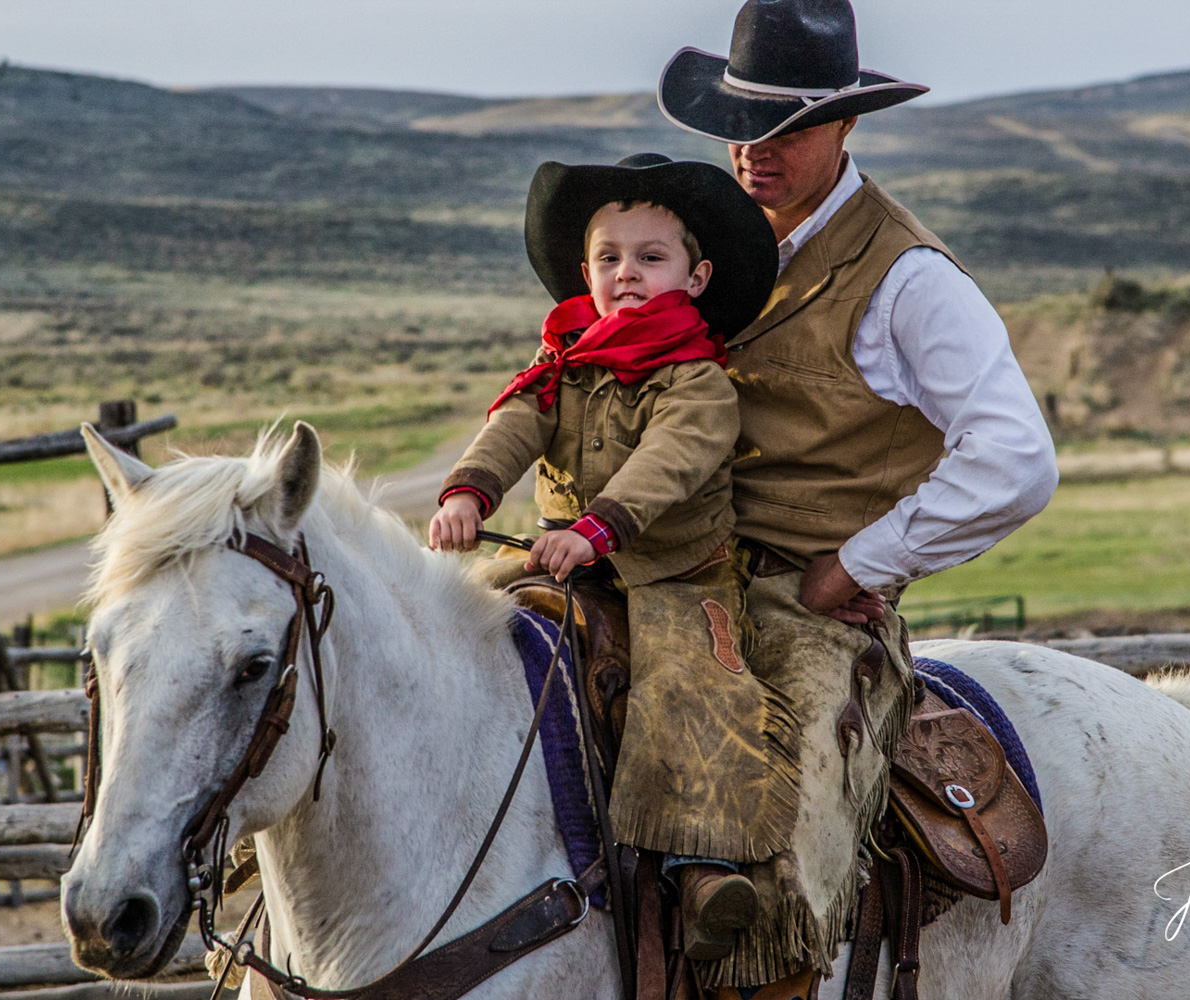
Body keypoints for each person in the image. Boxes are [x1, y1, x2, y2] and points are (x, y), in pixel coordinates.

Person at [654, 0, 1061, 988]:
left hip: (811, 602)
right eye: (739, 122)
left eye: (785, 126)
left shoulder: (908, 279)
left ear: (844, 125)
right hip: (671, 567)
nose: (753, 149)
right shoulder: (705, 247)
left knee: (798, 799)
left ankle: (771, 974)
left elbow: (1013, 458)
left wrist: (861, 562)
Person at [428, 153, 788, 960]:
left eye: (651, 258)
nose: (627, 274)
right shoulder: (567, 360)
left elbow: (672, 457)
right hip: (560, 565)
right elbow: (516, 420)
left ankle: (705, 863)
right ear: (584, 272)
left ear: (694, 278)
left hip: (672, 575)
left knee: (696, 688)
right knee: (447, 629)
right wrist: (468, 495)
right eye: (609, 258)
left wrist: (595, 528)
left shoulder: (697, 377)